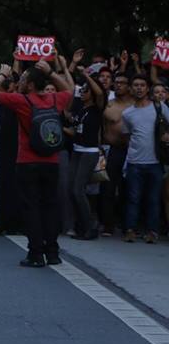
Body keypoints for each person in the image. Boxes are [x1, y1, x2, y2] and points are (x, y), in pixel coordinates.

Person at [0, 59, 72, 267]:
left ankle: (35, 254)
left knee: (31, 207)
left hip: (27, 161)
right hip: (51, 161)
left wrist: (4, 75)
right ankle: (53, 252)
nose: (21, 81)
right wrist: (51, 72)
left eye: (24, 79)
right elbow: (70, 89)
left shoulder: (21, 101)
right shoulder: (55, 99)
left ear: (31, 85)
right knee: (50, 206)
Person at [120, 75, 166, 243]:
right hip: (134, 162)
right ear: (131, 89)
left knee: (153, 199)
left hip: (155, 162)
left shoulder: (160, 108)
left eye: (142, 85)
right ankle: (130, 230)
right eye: (136, 85)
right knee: (133, 198)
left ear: (147, 89)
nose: (139, 88)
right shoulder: (127, 113)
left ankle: (152, 231)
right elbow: (126, 136)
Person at [64, 72, 105, 239]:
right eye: (82, 90)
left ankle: (90, 226)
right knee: (71, 189)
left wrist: (88, 77)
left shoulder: (97, 108)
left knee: (78, 190)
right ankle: (82, 225)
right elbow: (74, 130)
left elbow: (101, 93)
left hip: (89, 153)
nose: (82, 92)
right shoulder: (81, 110)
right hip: (77, 150)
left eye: (86, 90)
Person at [100, 71, 133, 236]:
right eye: (117, 82)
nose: (118, 85)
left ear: (129, 86)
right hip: (112, 150)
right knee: (108, 188)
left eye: (122, 82)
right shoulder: (108, 104)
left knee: (129, 189)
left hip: (132, 151)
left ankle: (128, 224)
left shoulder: (136, 105)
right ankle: (108, 224)